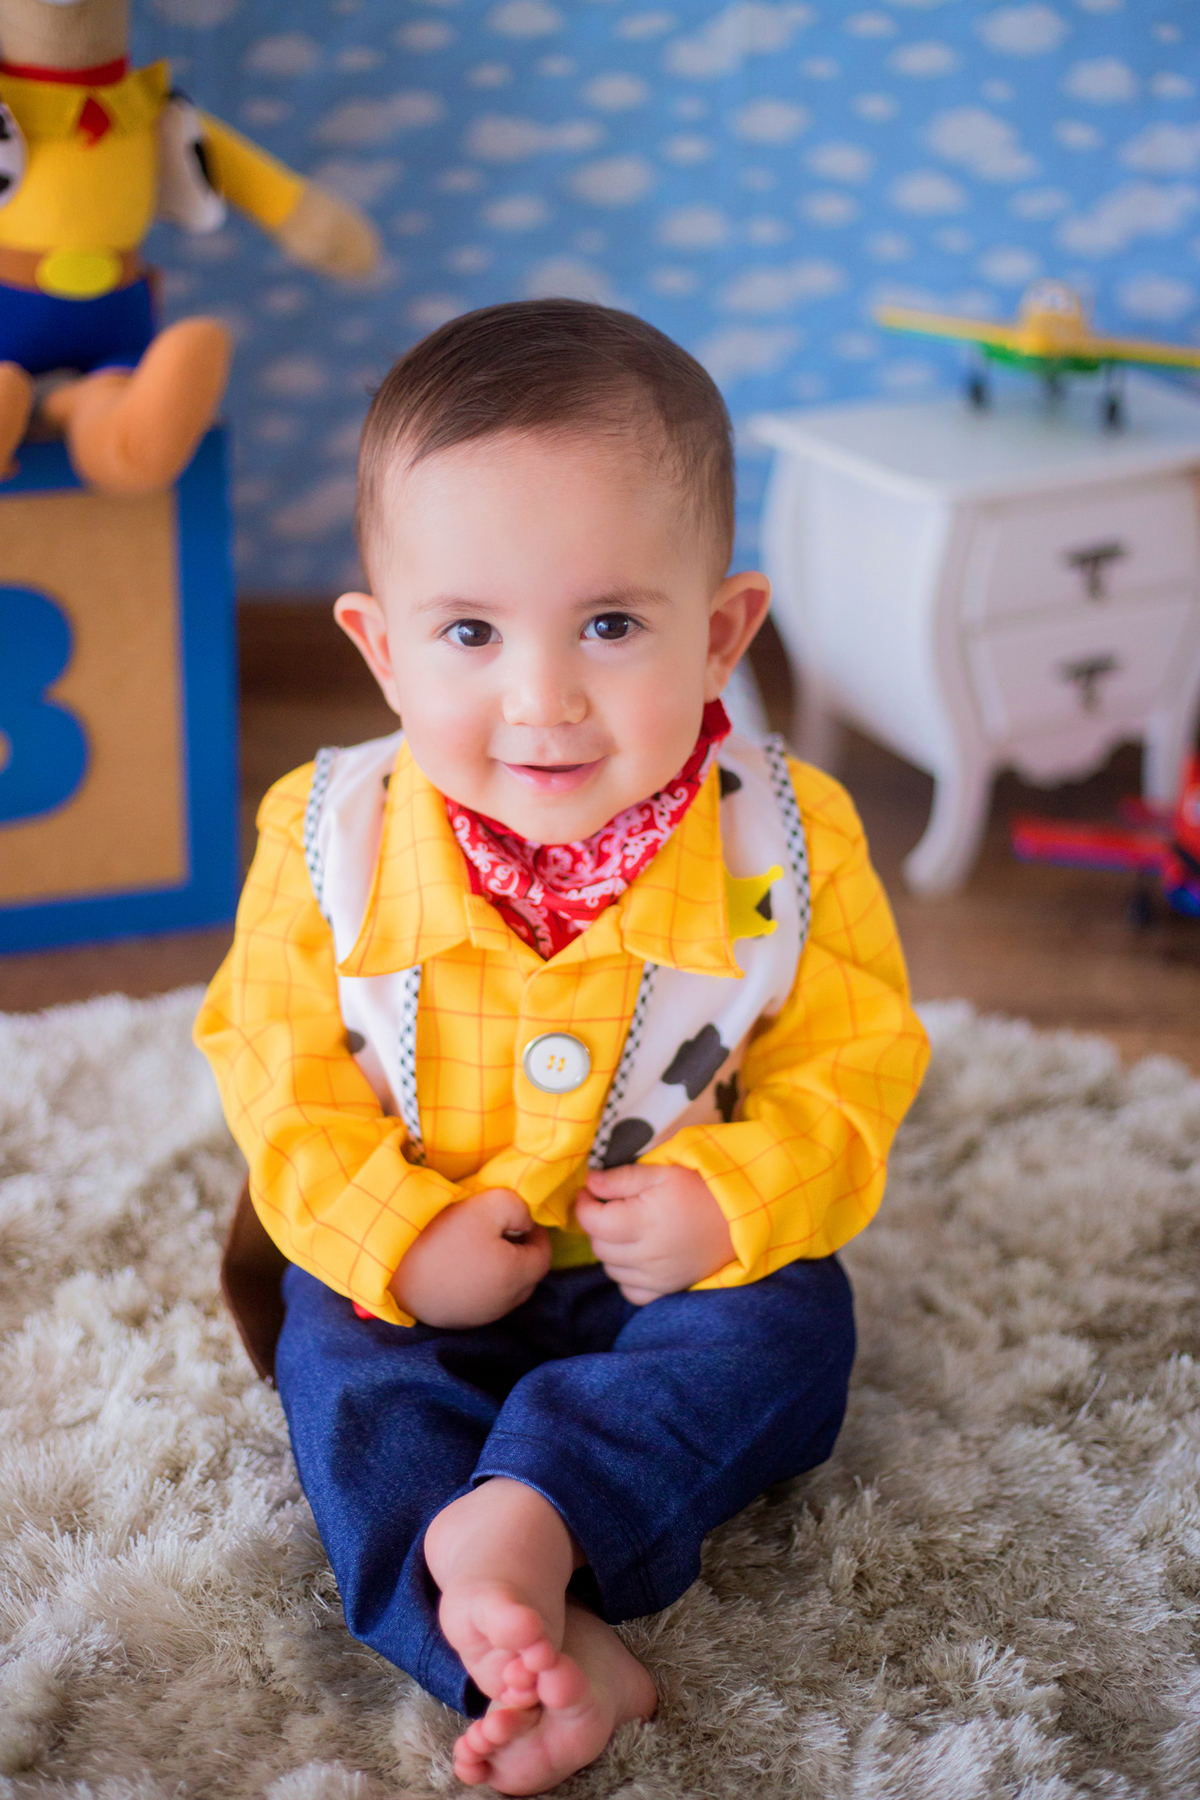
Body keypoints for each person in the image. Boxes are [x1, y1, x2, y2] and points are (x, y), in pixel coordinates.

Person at [195, 299, 929, 1795]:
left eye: (610, 624)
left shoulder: (788, 840)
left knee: (796, 1328)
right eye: (470, 632)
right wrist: (399, 1241)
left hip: (665, 1283)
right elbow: (278, 1078)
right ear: (382, 647)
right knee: (342, 1371)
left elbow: (852, 1068)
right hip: (429, 1273)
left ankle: (534, 1512)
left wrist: (735, 1200)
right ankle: (510, 1635)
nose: (542, 699)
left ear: (721, 631)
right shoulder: (326, 839)